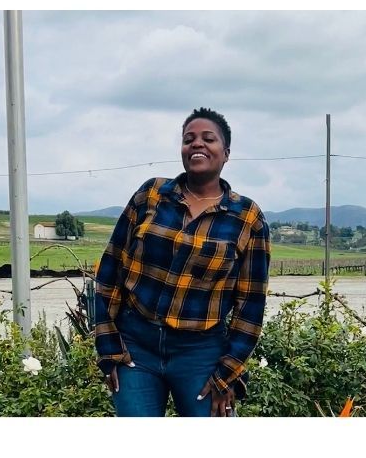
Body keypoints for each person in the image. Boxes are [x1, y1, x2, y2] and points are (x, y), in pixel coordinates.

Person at [94, 108, 270, 417]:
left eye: (208, 138)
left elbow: (250, 306)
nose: (197, 144)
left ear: (226, 153)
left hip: (200, 353)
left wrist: (227, 371)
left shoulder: (247, 219)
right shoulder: (151, 195)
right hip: (136, 346)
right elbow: (111, 268)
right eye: (189, 139)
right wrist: (108, 347)